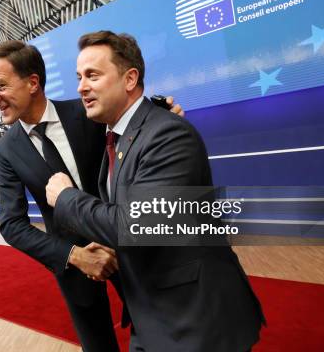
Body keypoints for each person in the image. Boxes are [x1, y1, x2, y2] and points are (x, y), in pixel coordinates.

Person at [46, 31, 264, 351]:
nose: (81, 87)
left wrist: (66, 199)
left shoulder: (167, 135)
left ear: (130, 78)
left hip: (196, 321)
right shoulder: (118, 136)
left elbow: (136, 225)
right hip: (152, 315)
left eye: (92, 75)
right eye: (79, 77)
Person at [0, 40, 183, 351]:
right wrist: (75, 256)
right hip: (74, 265)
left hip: (129, 247)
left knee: (162, 332)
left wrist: (164, 116)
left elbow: (137, 127)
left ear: (33, 82)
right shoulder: (6, 150)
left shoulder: (88, 112)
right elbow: (11, 225)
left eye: (0, 86)